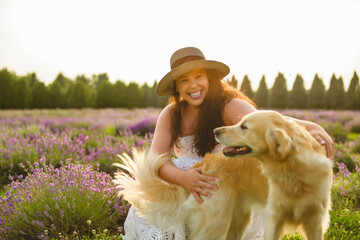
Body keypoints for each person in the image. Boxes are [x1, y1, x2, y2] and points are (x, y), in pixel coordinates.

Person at [122, 47, 334, 240]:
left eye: (198, 76)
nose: (193, 85)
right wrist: (183, 177)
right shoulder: (171, 114)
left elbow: (265, 122)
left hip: (223, 184)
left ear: (210, 78)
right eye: (184, 80)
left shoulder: (228, 105)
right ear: (176, 86)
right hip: (184, 184)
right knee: (156, 213)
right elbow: (156, 161)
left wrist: (308, 126)